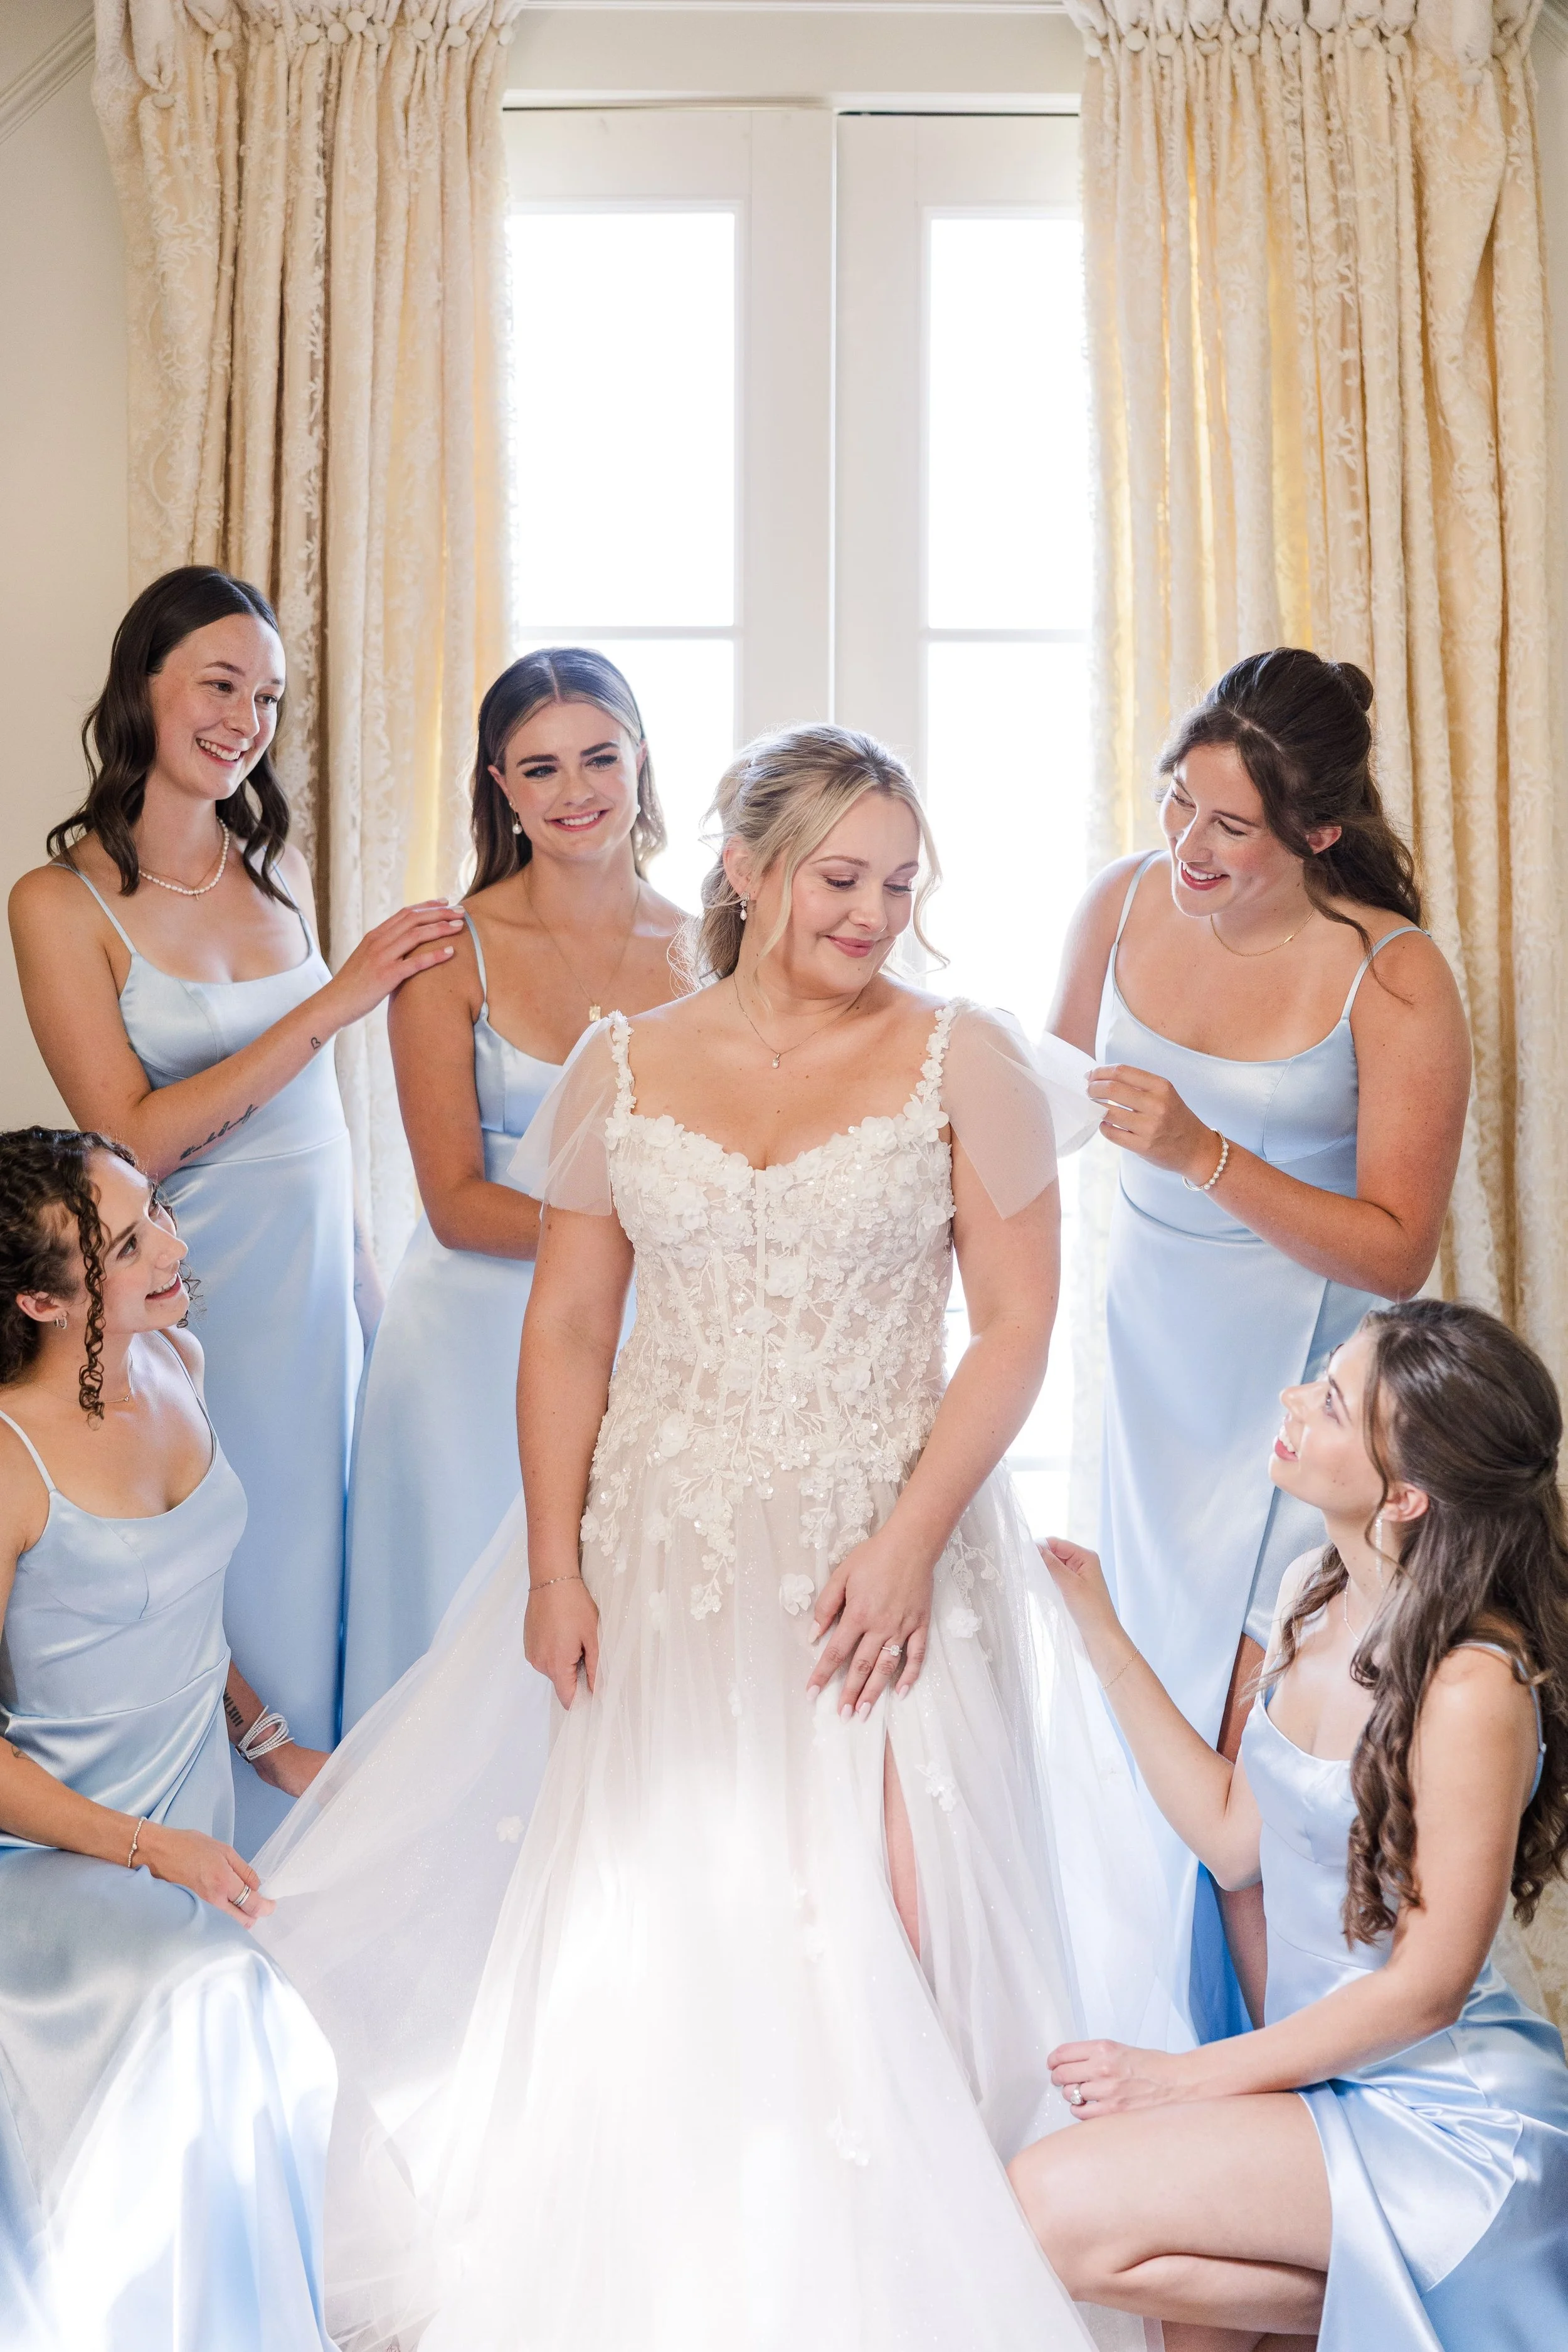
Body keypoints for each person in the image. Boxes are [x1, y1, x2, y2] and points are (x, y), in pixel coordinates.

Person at [253, 724, 1178, 2352]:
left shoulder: (959, 1057)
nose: (872, 913)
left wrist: (908, 1540)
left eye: (898, 884)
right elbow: (566, 1330)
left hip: (884, 1545)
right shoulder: (619, 1064)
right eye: (840, 878)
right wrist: (555, 1564)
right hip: (662, 1547)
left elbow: (1015, 1331)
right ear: (747, 868)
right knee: (679, 1912)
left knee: (898, 1915)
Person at [1047, 648, 1470, 2035]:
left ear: (1318, 832)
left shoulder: (1392, 977)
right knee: (1150, 1732)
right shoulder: (1118, 901)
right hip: (1149, 1384)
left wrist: (1202, 1152)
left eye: (1229, 825)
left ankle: (1287, 2081)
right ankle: (1169, 2055)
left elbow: (1397, 1249)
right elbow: (1036, 1101)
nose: (1188, 844)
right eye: (1178, 802)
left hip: (1306, 1409)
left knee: (1251, 1762)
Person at [1013, 1298, 1568, 2351]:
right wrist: (1097, 1626)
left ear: (1404, 1494)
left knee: (1049, 2208)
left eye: (1331, 1401)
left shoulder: (1472, 1685)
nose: (1293, 1401)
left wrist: (1176, 2078)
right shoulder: (1312, 1589)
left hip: (1449, 2122)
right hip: (1324, 2084)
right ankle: (1390, 2303)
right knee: (1187, 2330)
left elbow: (1426, 1988)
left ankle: (1441, 2295)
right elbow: (1235, 1839)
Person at [8, 568, 463, 1848]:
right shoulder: (58, 902)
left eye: (267, 697)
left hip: (320, 1292)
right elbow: (132, 1135)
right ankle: (216, 1873)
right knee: (234, 1575)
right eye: (220, 684)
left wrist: (369, 1295)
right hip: (194, 1289)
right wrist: (337, 1001)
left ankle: (322, 1883)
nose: (246, 720)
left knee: (328, 1567)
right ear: (141, 684)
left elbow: (322, 1126)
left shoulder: (278, 868)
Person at [0, 1127, 337, 2351]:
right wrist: (152, 1849)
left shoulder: (177, 1357)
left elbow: (180, 1599)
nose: (173, 1248)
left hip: (188, 1811)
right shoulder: (8, 1459)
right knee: (214, 1991)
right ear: (43, 1301)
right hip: (56, 1850)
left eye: (158, 1214)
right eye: (130, 1243)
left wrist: (268, 1740)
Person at [339, 650, 687, 1729]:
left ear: (640, 761)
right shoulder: (450, 952)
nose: (576, 790)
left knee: (625, 1642)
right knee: (460, 1672)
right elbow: (453, 1201)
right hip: (467, 1354)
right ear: (500, 786)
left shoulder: (708, 950)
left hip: (639, 1336)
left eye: (600, 758)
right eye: (540, 768)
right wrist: (649, 1233)